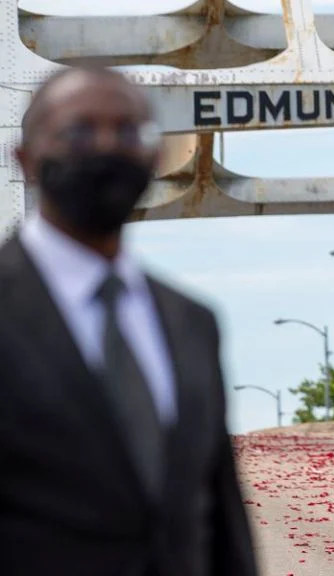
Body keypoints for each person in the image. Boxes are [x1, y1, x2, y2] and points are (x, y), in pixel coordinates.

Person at [0, 65, 258, 575]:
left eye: (127, 131)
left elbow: (222, 521)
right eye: (79, 130)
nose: (105, 146)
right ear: (26, 159)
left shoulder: (193, 323)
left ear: (156, 158)